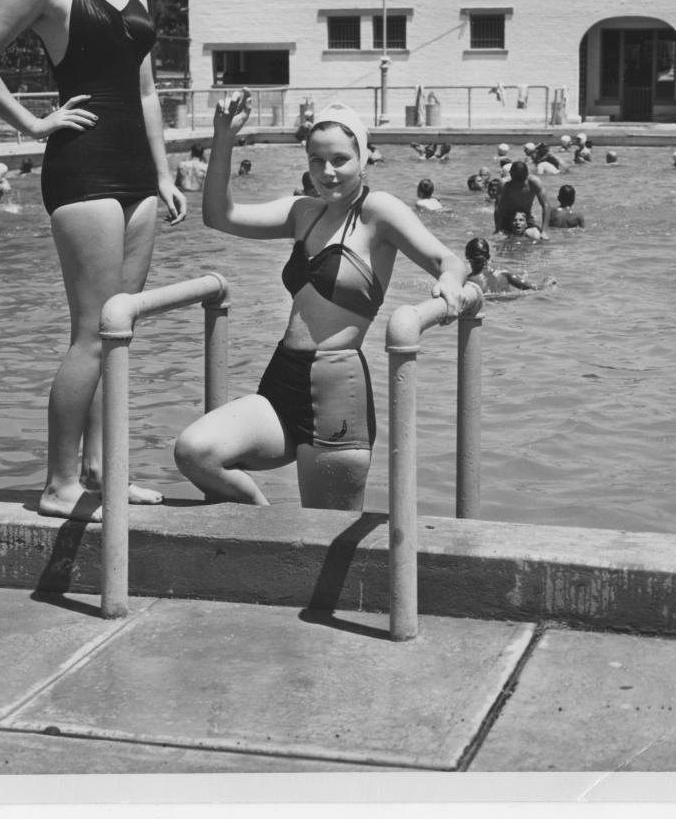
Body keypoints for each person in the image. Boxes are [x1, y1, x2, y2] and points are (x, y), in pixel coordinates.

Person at [0, 0, 186, 519]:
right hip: (82, 166)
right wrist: (32, 121)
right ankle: (59, 484)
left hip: (139, 176)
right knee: (91, 332)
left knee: (121, 333)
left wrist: (166, 174)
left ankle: (105, 472)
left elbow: (144, 88)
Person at [172, 93, 467, 511]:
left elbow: (446, 260)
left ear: (363, 159)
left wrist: (450, 283)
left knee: (326, 542)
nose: (327, 172)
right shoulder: (303, 212)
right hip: (281, 381)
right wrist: (224, 138)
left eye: (340, 160)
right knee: (195, 451)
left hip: (335, 390)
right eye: (316, 160)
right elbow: (219, 215)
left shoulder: (377, 211)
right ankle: (263, 522)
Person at [463, 237, 539, 293]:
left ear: (467, 257)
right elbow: (533, 287)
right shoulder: (502, 270)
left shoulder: (469, 281)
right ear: (488, 257)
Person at [494, 160, 548, 235]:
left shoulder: (534, 182)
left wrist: (544, 231)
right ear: (510, 174)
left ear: (527, 175)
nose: (518, 185)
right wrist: (498, 229)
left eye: (521, 182)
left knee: (536, 236)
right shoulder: (504, 184)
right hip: (507, 220)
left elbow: (546, 205)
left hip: (526, 219)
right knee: (502, 240)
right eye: (515, 182)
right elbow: (498, 207)